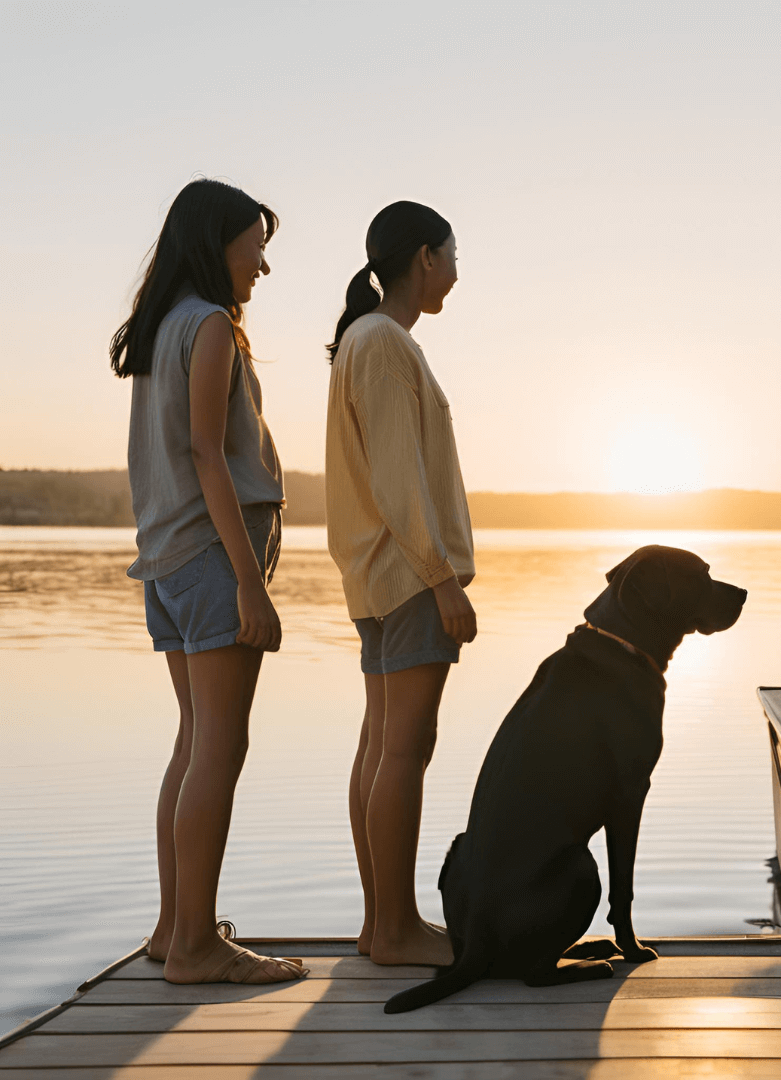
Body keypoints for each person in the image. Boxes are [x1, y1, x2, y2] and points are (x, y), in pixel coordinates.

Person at [110, 178, 306, 985]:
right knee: (220, 746)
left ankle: (172, 929)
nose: (263, 263)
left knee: (194, 741)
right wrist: (248, 585)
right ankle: (195, 946)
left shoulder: (163, 329)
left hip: (166, 561)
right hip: (210, 563)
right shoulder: (212, 328)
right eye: (255, 244)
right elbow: (204, 454)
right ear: (217, 242)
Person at [326, 200, 476, 967]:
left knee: (383, 745)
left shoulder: (370, 340)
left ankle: (380, 924)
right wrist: (443, 579)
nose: (457, 271)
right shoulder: (383, 343)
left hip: (379, 574)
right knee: (404, 748)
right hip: (407, 576)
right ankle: (394, 928)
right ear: (424, 258)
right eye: (453, 256)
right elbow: (396, 477)